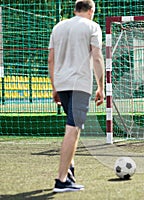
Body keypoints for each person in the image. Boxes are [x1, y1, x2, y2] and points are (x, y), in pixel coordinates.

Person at [48, 0, 105, 193]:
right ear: (91, 11)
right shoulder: (92, 26)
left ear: (75, 10)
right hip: (79, 84)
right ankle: (61, 180)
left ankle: (69, 172)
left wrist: (54, 86)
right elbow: (97, 57)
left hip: (62, 84)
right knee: (73, 129)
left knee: (71, 128)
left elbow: (51, 59)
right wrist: (101, 86)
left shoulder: (58, 27)